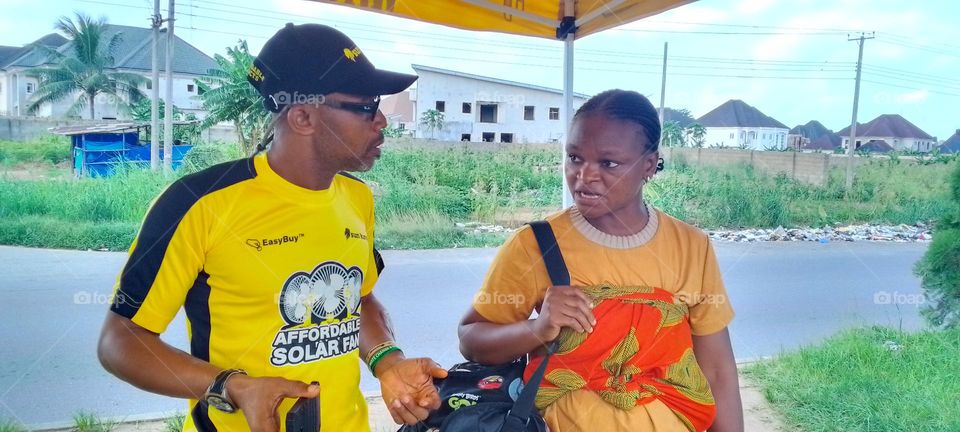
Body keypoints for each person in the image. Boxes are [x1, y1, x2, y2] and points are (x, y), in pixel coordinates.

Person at [97, 23, 446, 432]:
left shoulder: (357, 198)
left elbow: (360, 299)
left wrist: (388, 362)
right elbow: (120, 340)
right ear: (302, 117)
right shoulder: (199, 202)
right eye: (366, 105)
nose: (382, 120)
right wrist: (230, 386)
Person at [458, 90, 744, 431]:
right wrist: (538, 329)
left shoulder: (691, 248)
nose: (585, 175)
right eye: (575, 157)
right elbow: (471, 339)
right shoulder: (535, 245)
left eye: (608, 163)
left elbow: (716, 370)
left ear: (649, 166)